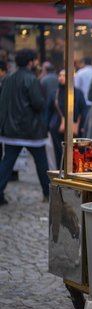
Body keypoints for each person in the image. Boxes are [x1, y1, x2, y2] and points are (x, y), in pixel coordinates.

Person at [0, 49, 49, 205]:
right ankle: (48, 194)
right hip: (30, 129)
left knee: (7, 163)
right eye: (34, 60)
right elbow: (37, 104)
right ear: (30, 62)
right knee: (42, 163)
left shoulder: (8, 78)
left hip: (11, 129)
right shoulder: (31, 78)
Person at [48, 69, 88, 164]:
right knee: (59, 153)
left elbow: (83, 110)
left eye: (64, 76)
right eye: (60, 75)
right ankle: (61, 173)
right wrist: (48, 126)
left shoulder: (78, 93)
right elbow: (49, 110)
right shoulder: (55, 93)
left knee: (74, 153)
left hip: (74, 127)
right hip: (57, 127)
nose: (61, 78)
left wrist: (82, 126)